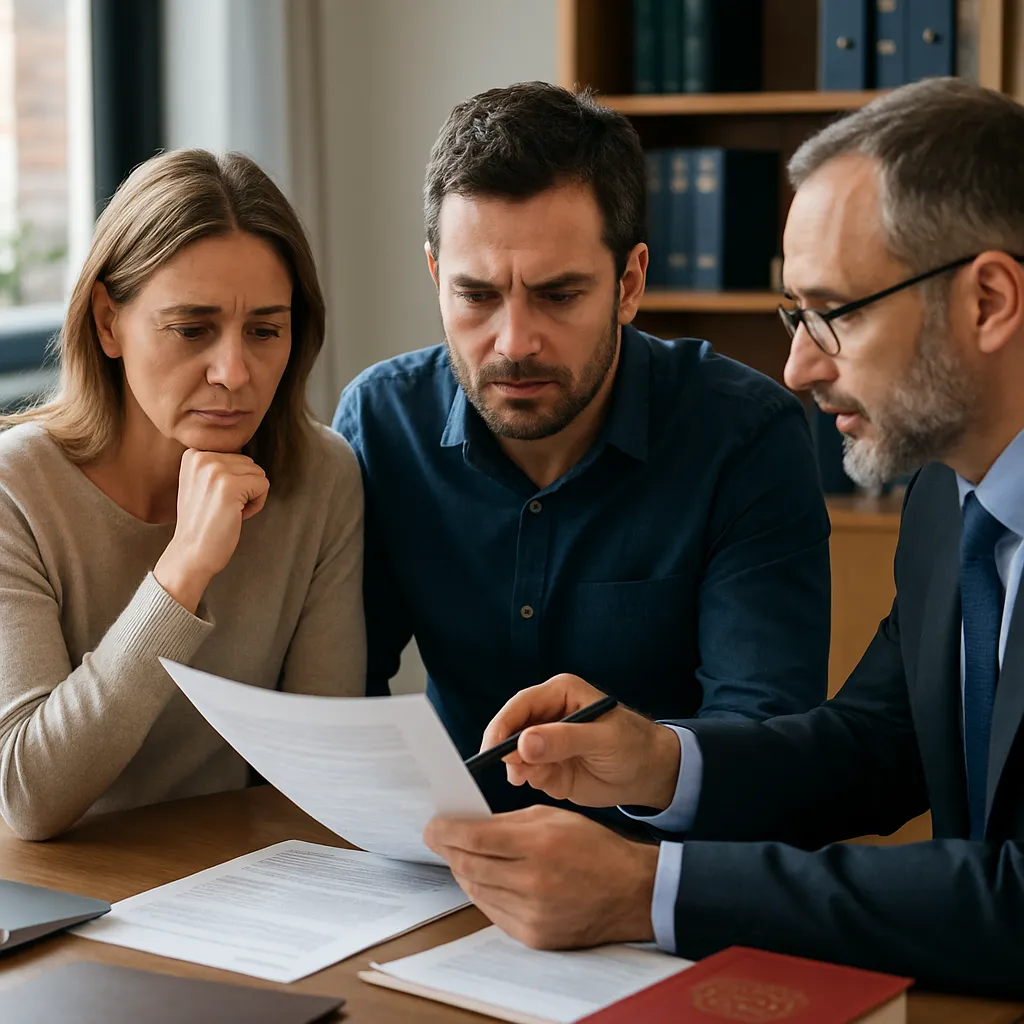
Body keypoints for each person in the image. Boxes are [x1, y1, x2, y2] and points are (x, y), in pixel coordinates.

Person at [423, 78, 1024, 999]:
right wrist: (658, 762)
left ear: (988, 301)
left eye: (836, 312)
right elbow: (875, 749)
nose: (798, 365)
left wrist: (651, 889)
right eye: (795, 315)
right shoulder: (952, 497)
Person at [333, 82, 831, 819]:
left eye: (558, 295)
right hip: (448, 869)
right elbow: (341, 699)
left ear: (628, 285)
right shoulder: (382, 420)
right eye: (475, 296)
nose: (513, 343)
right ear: (437, 276)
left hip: (662, 879)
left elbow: (761, 744)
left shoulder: (745, 436)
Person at [0, 149, 365, 841]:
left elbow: (322, 771)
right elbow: (27, 797)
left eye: (265, 331)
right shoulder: (15, 489)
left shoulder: (320, 476)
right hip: (51, 896)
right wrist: (184, 570)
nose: (234, 372)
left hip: (228, 887)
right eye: (192, 329)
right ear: (109, 322)